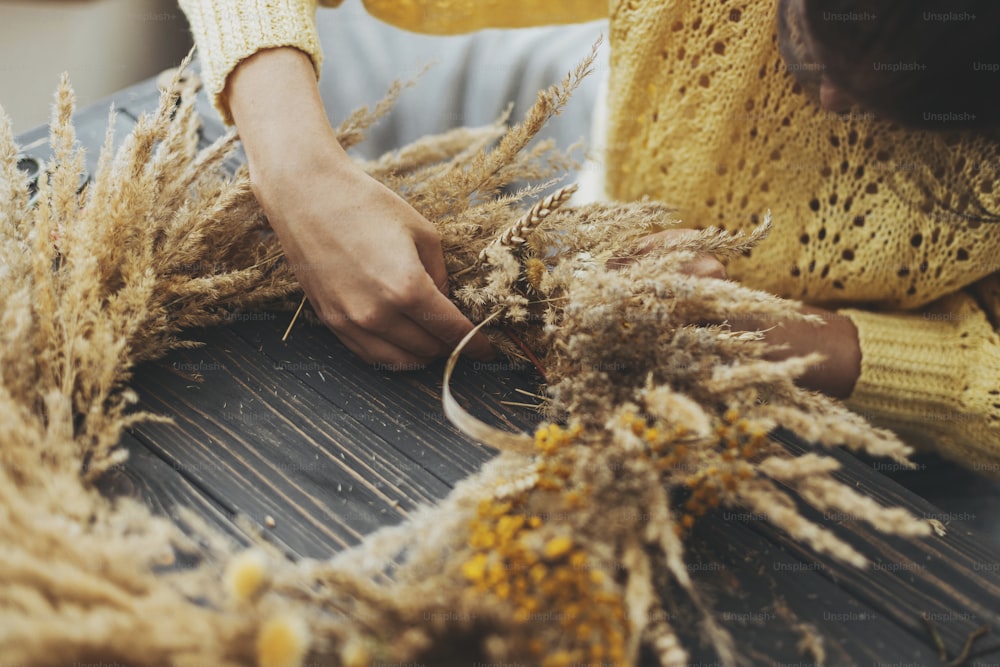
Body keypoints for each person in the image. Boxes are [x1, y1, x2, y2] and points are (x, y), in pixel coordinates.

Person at [178, 0, 1000, 476]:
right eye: (809, 39)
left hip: (911, 465)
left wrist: (808, 343)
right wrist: (295, 168)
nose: (828, 101)